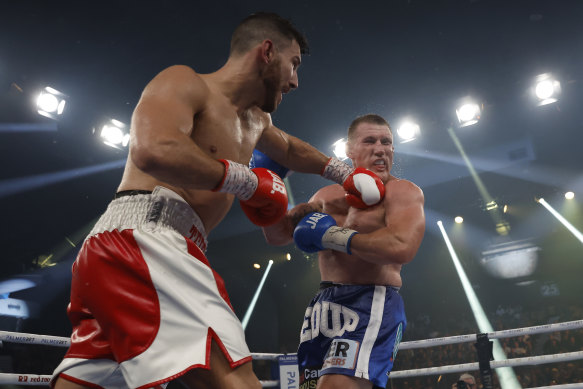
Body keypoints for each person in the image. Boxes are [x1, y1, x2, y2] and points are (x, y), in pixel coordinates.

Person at [51, 13, 384, 389]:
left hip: (128, 250)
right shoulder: (185, 82)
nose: (294, 81)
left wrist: (343, 173)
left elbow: (289, 148)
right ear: (267, 52)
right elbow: (152, 150)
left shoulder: (256, 121)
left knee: (93, 380)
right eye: (293, 64)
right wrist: (244, 181)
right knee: (233, 375)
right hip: (147, 236)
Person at [263, 114, 426, 389]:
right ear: (349, 150)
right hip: (324, 305)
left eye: (386, 142)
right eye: (370, 141)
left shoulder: (402, 192)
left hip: (371, 300)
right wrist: (265, 184)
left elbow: (401, 246)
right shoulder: (324, 197)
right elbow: (277, 236)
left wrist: (332, 236)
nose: (380, 149)